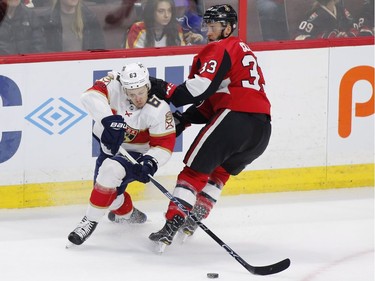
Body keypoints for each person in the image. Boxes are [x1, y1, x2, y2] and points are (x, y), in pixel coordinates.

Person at [147, 4, 272, 251]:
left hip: (235, 118)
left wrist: (162, 87)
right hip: (262, 129)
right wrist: (185, 120)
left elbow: (196, 90)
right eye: (207, 26)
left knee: (192, 174)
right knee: (220, 173)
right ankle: (194, 218)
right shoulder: (242, 51)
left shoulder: (220, 48)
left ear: (228, 28)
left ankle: (171, 226)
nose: (208, 32)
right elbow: (212, 100)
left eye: (213, 26)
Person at [67, 62, 176, 246]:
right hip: (111, 148)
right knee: (108, 197)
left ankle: (88, 221)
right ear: (125, 89)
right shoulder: (115, 85)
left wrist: (151, 161)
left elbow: (164, 144)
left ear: (148, 85)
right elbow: (89, 96)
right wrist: (109, 119)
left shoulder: (158, 108)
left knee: (110, 171)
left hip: (137, 155)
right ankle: (129, 214)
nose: (138, 98)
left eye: (141, 92)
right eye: (132, 94)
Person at [40, 0, 105, 52]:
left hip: (85, 65)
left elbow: (99, 47)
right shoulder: (47, 20)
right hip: (58, 65)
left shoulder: (89, 17)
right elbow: (42, 49)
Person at [294, 0, 359, 40]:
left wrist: (347, 36)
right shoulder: (316, 15)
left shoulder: (341, 10)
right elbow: (299, 37)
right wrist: (329, 39)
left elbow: (354, 26)